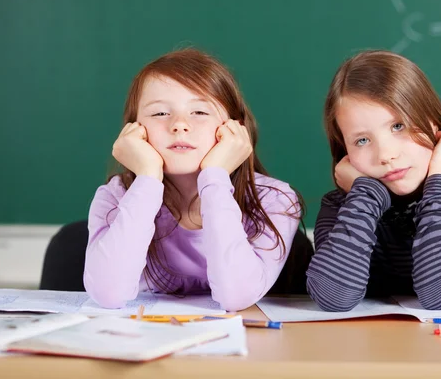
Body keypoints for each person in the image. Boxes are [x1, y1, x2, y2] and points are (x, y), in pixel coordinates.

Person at [306, 50, 441, 311]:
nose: (386, 155)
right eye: (362, 140)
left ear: (433, 120)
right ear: (345, 152)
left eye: (398, 126)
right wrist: (365, 194)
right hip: (377, 347)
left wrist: (440, 181)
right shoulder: (345, 204)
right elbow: (334, 299)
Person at [84, 48, 301, 311]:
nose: (179, 125)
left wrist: (215, 178)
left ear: (235, 128)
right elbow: (108, 294)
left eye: (199, 112)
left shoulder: (274, 199)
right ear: (134, 131)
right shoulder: (117, 196)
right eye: (160, 113)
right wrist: (148, 179)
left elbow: (236, 297)